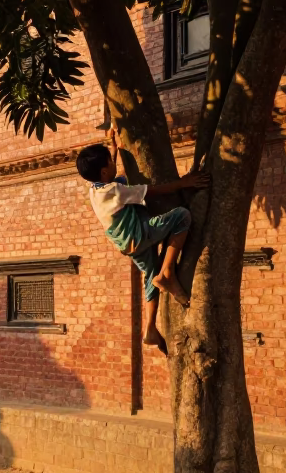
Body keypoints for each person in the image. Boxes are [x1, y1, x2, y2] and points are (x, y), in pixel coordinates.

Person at [77, 128, 209, 355]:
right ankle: (167, 272)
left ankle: (150, 327)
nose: (113, 161)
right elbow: (152, 191)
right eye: (110, 160)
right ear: (105, 171)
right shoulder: (116, 191)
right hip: (139, 234)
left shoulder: (95, 189)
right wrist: (184, 183)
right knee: (182, 217)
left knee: (150, 277)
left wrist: (113, 146)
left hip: (127, 245)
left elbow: (109, 171)